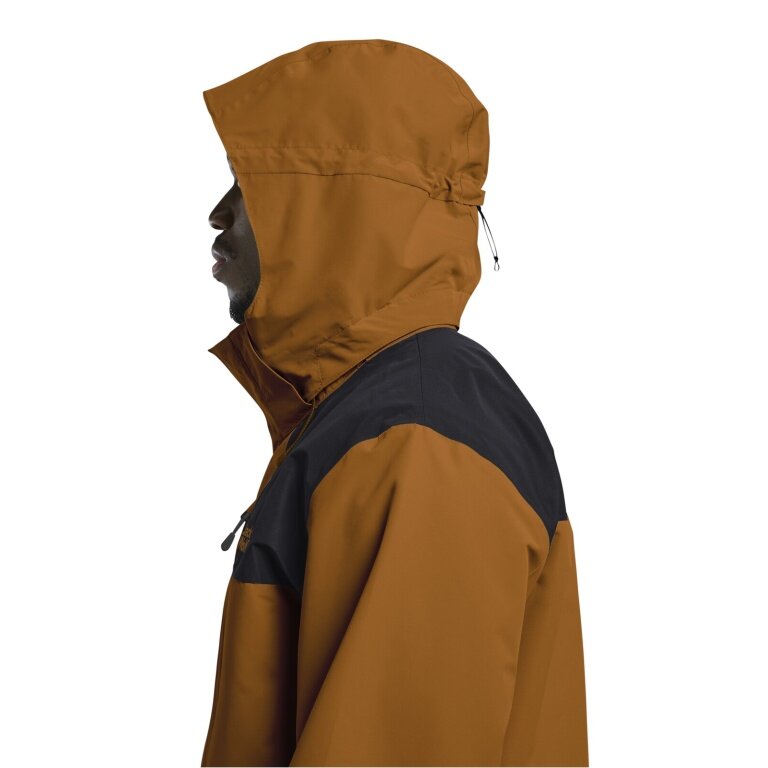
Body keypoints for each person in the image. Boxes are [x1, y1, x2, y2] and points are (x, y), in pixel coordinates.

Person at [200, 38, 589, 767]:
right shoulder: (371, 415)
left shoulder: (415, 440)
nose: (218, 215)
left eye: (249, 183)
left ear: (337, 206)